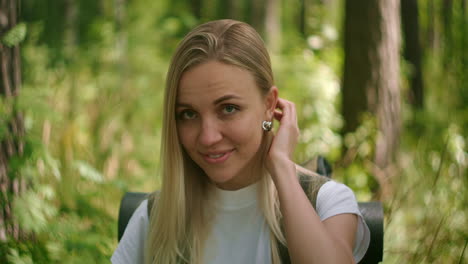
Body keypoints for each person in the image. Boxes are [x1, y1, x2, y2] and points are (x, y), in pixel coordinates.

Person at [111, 19, 370, 264]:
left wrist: (281, 164)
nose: (208, 137)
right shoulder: (156, 217)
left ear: (269, 105)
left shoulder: (326, 202)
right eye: (188, 114)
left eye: (228, 109)